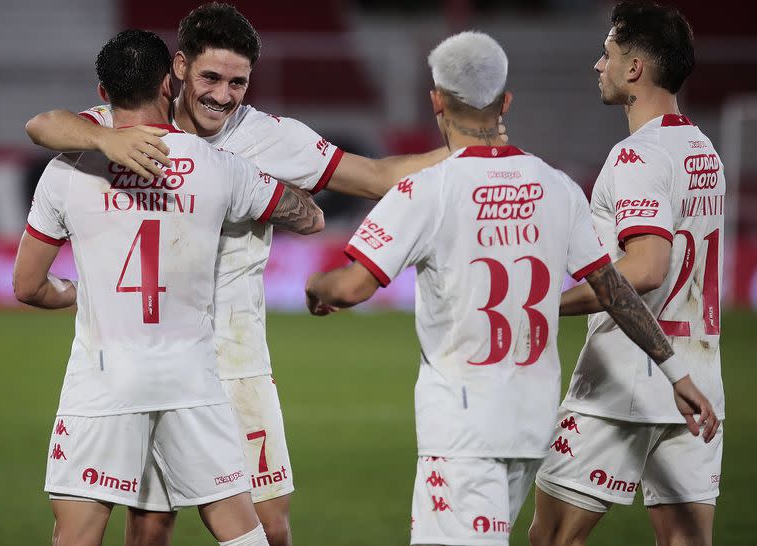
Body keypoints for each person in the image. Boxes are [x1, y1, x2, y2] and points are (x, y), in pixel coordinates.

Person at [24, 4, 463, 545]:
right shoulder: (116, 125)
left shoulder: (268, 137)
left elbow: (375, 176)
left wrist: (469, 151)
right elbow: (45, 124)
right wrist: (106, 139)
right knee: (151, 526)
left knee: (270, 523)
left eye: (239, 83)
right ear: (178, 69)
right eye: (211, 77)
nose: (223, 95)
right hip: (160, 357)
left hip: (236, 357)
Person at [303, 30, 718, 546]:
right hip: (531, 424)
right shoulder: (557, 186)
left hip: (461, 425)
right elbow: (615, 291)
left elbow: (350, 289)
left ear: (435, 100)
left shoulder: (426, 189)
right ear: (504, 101)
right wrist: (677, 371)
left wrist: (316, 284)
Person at [13, 29, 323, 546]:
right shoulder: (221, 167)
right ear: (168, 83)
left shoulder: (67, 171)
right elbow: (308, 217)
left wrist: (76, 293)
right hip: (191, 379)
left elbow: (26, 285)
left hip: (103, 378)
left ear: (102, 94)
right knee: (239, 528)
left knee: (80, 535)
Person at [529, 3, 726, 546]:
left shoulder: (636, 157)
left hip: (623, 382)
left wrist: (544, 302)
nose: (599, 65)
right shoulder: (701, 149)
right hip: (697, 379)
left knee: (552, 540)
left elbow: (644, 268)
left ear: (634, 68)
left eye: (608, 54)